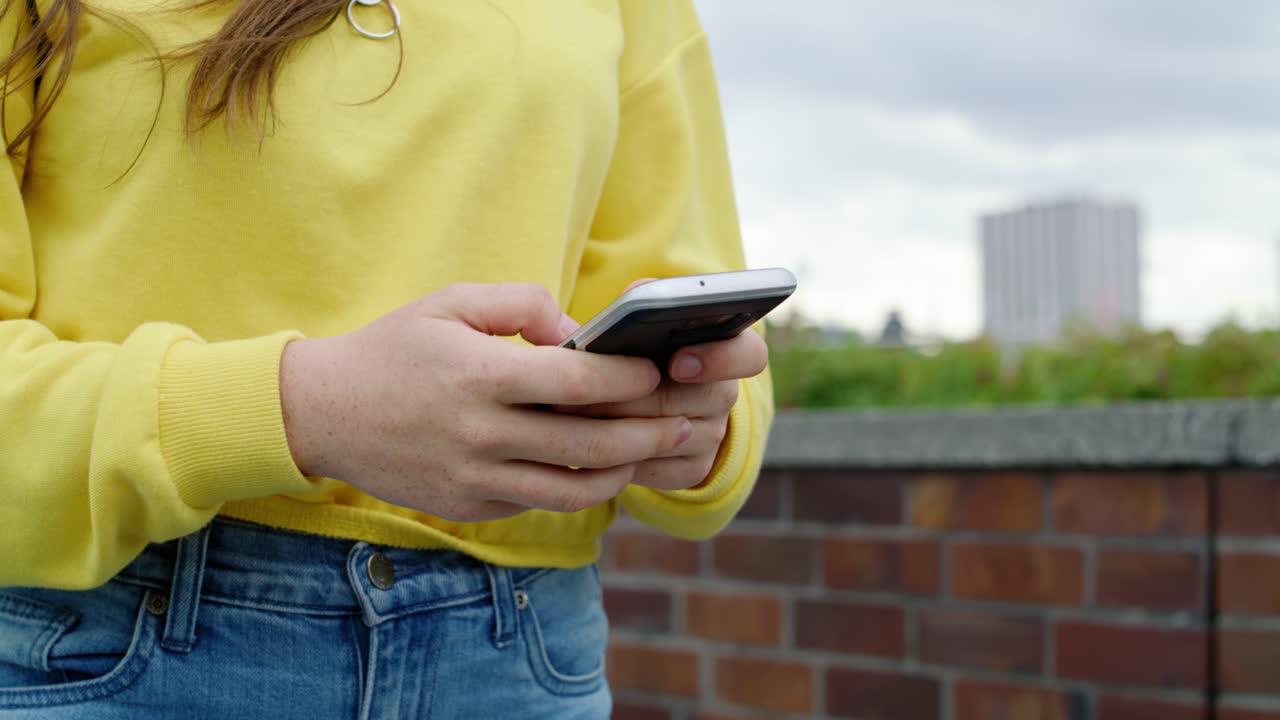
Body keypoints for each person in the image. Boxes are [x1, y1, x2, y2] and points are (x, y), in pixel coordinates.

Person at [0, 0, 773, 717]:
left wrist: (698, 421)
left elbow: (691, 295)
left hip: (523, 655)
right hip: (116, 641)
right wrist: (299, 409)